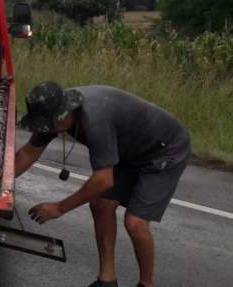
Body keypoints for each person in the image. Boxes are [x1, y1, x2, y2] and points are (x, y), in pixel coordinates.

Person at [15, 82, 190, 287]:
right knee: (101, 205)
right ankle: (107, 280)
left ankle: (147, 284)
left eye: (51, 123)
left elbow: (103, 180)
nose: (48, 129)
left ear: (65, 113)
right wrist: (1, 183)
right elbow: (28, 153)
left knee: (135, 222)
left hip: (164, 150)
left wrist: (59, 208)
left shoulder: (95, 119)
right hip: (127, 150)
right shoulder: (52, 113)